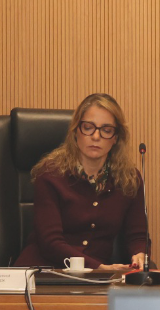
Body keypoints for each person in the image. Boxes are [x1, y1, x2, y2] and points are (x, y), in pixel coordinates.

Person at [14, 93, 147, 270]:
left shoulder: (129, 180)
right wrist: (97, 268)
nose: (96, 136)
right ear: (76, 131)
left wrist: (139, 254)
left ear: (115, 138)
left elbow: (137, 236)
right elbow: (50, 242)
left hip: (97, 278)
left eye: (106, 130)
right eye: (88, 127)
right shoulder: (50, 174)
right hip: (44, 272)